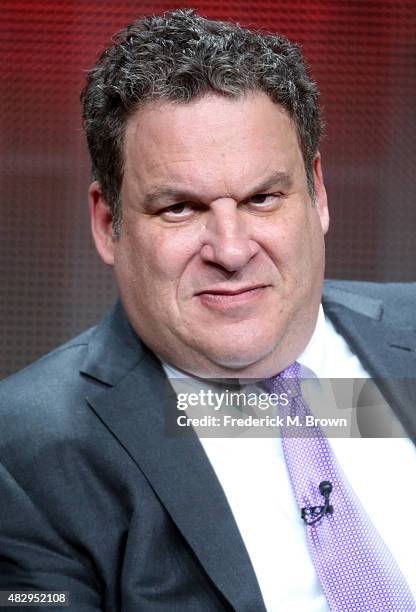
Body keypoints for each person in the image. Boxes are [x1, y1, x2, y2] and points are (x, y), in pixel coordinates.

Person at [0, 9, 415, 611]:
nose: (231, 249)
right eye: (180, 209)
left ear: (318, 195)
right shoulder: (29, 452)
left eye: (263, 198)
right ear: (108, 222)